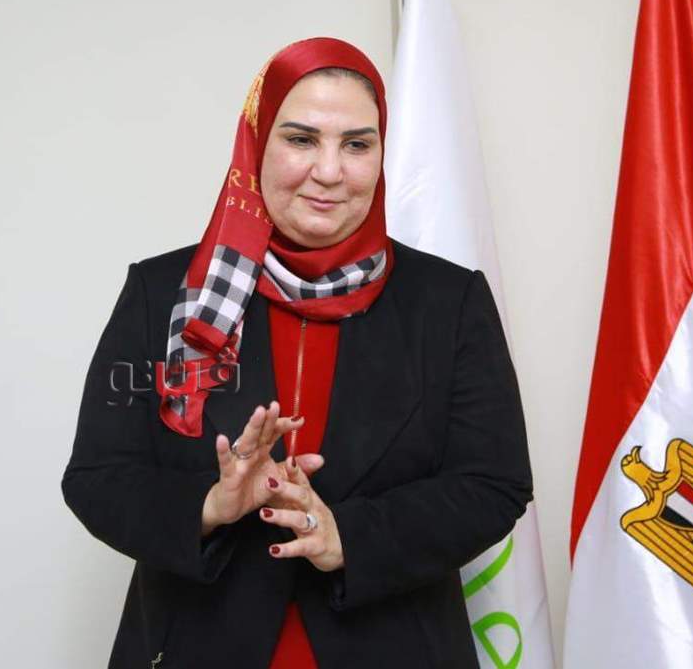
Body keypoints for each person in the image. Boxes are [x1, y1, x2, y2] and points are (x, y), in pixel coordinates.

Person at [62, 37, 532, 668]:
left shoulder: (449, 301)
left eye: (357, 144)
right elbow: (97, 478)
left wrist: (348, 537)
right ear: (258, 144)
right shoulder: (162, 292)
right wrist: (210, 506)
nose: (330, 171)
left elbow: (494, 484)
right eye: (302, 139)